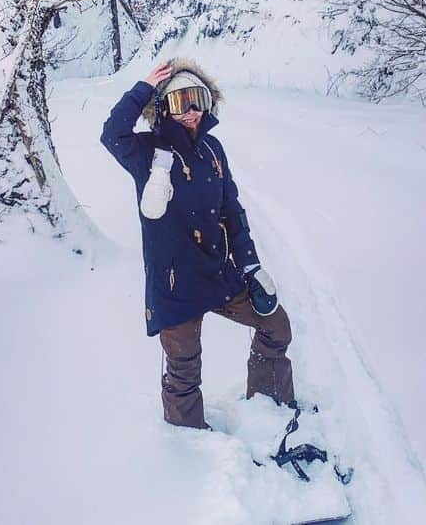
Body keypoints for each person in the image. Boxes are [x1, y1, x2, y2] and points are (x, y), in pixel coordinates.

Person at [100, 58, 294, 429]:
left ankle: (269, 405)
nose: (190, 112)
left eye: (197, 100)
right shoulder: (145, 153)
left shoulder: (213, 150)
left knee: (276, 325)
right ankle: (188, 443)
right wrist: (142, 89)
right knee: (184, 371)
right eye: (179, 102)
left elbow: (231, 210)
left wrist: (250, 265)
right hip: (175, 285)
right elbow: (111, 134)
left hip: (219, 273)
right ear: (162, 109)